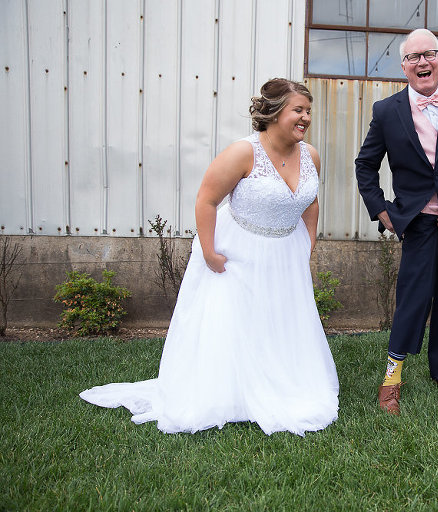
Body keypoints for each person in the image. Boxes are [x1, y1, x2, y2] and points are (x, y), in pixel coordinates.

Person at [80, 78, 339, 435]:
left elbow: (310, 201)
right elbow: (206, 199)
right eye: (298, 110)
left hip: (286, 253)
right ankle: (233, 392)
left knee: (282, 319)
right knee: (235, 321)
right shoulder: (242, 153)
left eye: (309, 111)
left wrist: (309, 240)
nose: (306, 117)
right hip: (238, 252)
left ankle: (285, 383)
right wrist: (208, 252)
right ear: (274, 112)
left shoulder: (311, 156)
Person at [355, 29, 438, 415]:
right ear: (404, 67)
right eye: (414, 57)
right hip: (416, 224)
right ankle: (391, 380)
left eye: (429, 54)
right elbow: (365, 166)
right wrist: (382, 210)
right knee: (412, 303)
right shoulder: (386, 112)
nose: (423, 63)